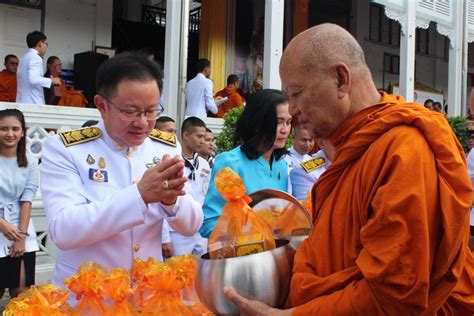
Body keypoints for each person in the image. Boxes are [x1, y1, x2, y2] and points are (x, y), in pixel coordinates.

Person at [224, 23, 474, 314]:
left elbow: (394, 296)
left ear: (341, 79)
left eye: (296, 93)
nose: (291, 110)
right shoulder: (356, 144)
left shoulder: (404, 151)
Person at [40, 52, 203, 288]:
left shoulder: (163, 147)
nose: (143, 122)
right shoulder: (66, 149)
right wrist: (139, 195)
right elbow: (64, 230)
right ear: (101, 105)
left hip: (147, 296)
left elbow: (191, 225)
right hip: (89, 297)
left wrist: (171, 202)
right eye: (130, 111)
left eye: (151, 111)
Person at [200, 89, 292, 238]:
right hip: (242, 257)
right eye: (278, 122)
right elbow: (209, 223)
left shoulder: (280, 164)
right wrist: (248, 233)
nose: (285, 130)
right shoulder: (230, 163)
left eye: (288, 122)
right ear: (258, 122)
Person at [0, 109, 39, 300]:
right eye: (3, 129)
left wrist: (21, 236)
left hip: (20, 228)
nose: (10, 134)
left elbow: (27, 199)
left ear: (23, 132)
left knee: (21, 293)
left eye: (15, 129)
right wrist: (2, 224)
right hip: (1, 226)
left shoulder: (30, 161)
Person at [166, 117, 210, 256]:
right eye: (199, 136)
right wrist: (164, 236)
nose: (202, 141)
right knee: (177, 272)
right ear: (186, 135)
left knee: (201, 271)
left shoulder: (204, 164)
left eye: (204, 137)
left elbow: (206, 194)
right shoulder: (172, 161)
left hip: (200, 228)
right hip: (177, 229)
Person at [16, 31, 61, 105]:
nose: (46, 47)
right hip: (33, 102)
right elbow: (33, 79)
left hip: (21, 101)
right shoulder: (36, 58)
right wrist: (52, 81)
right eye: (46, 44)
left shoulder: (24, 58)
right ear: (40, 44)